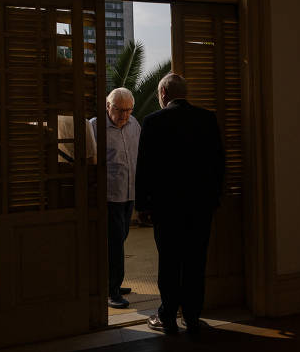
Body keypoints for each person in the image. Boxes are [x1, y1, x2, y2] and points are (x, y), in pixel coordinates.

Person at [135, 73, 224, 335]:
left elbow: (145, 169)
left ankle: (168, 315)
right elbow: (218, 164)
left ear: (162, 94)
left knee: (170, 261)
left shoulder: (153, 122)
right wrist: (213, 198)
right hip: (200, 207)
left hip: (167, 208)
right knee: (196, 261)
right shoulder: (207, 119)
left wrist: (142, 205)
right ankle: (193, 317)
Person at [91, 87, 140, 309]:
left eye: (129, 110)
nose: (125, 116)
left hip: (129, 193)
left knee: (120, 240)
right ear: (107, 106)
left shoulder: (134, 124)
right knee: (114, 245)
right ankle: (112, 293)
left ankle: (112, 283)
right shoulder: (94, 127)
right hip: (109, 196)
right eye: (120, 110)